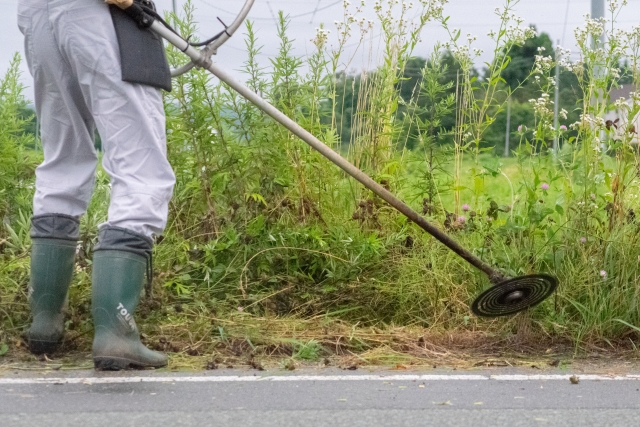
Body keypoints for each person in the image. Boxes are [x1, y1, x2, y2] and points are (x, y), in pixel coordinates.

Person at [17, 0, 175, 369]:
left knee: (63, 158)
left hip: (39, 12)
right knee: (141, 167)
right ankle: (116, 334)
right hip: (103, 14)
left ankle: (45, 322)